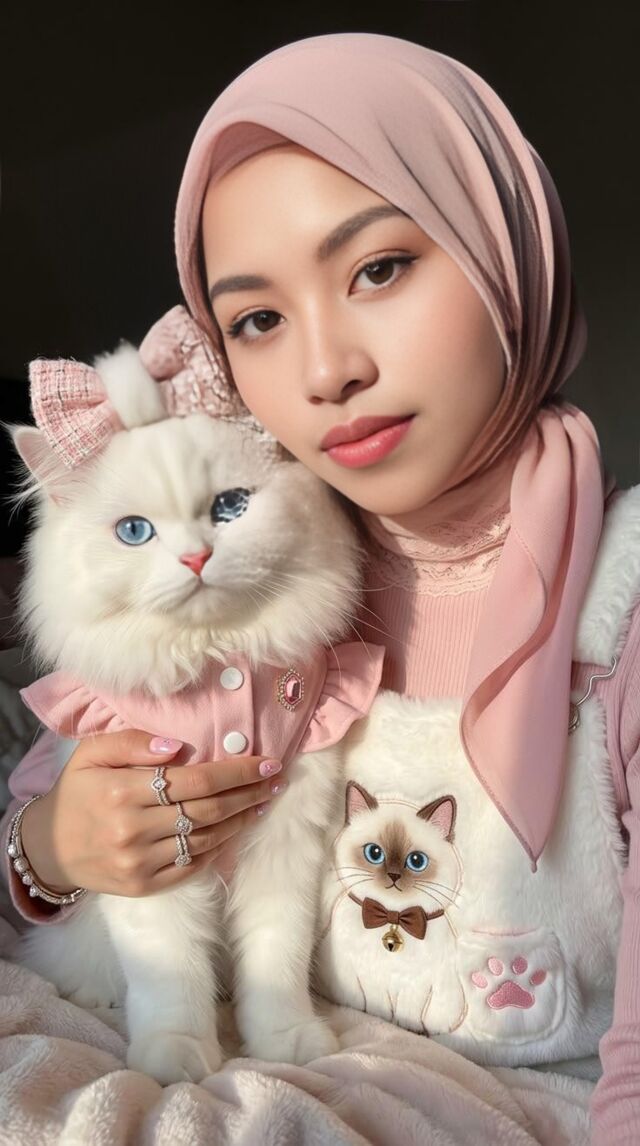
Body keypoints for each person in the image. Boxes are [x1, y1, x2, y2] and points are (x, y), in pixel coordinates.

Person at [2, 31, 638, 1144]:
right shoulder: (251, 583)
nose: (326, 369)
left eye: (379, 268)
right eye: (257, 319)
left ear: (505, 249)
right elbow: (51, 819)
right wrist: (51, 852)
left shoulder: (620, 612)